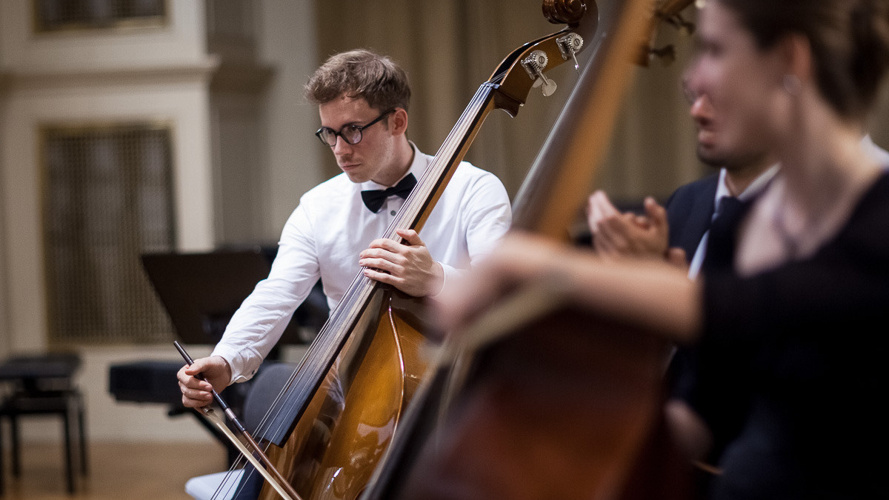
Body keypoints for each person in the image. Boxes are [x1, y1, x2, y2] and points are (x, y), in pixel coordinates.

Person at [438, 0, 889, 498]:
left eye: (715, 50)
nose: (695, 79)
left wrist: (529, 262)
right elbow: (693, 420)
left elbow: (754, 305)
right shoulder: (742, 226)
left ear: (789, 61)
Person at [177, 49, 512, 407]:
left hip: (458, 385)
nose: (339, 149)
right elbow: (275, 296)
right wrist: (227, 360)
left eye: (352, 131)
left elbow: (506, 296)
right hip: (355, 393)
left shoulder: (474, 189)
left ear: (397, 122)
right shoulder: (318, 207)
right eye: (329, 133)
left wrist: (435, 278)